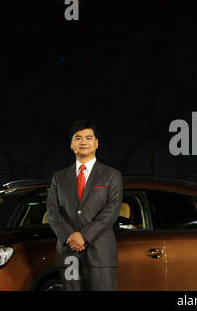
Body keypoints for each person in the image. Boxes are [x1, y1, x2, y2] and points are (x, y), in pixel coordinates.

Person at [46, 119, 123, 291]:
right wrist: (70, 236)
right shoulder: (59, 177)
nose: (83, 142)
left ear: (96, 143)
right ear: (72, 144)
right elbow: (52, 210)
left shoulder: (111, 175)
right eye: (78, 138)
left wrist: (84, 236)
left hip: (100, 254)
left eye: (88, 138)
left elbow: (112, 210)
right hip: (68, 253)